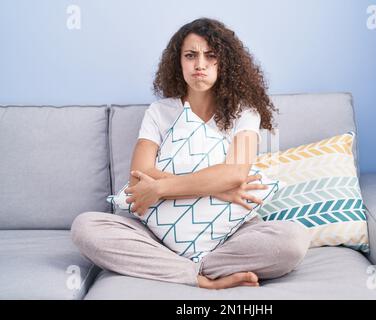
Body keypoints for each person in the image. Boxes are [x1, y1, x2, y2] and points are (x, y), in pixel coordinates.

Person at [71, 18, 311, 290]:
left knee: (293, 240)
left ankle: (187, 269)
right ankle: (197, 276)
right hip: (157, 231)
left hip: (229, 230)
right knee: (85, 228)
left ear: (225, 63)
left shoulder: (245, 113)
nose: (200, 65)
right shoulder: (160, 112)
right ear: (179, 62)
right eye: (190, 56)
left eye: (211, 56)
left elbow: (235, 173)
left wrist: (160, 187)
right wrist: (215, 188)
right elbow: (139, 177)